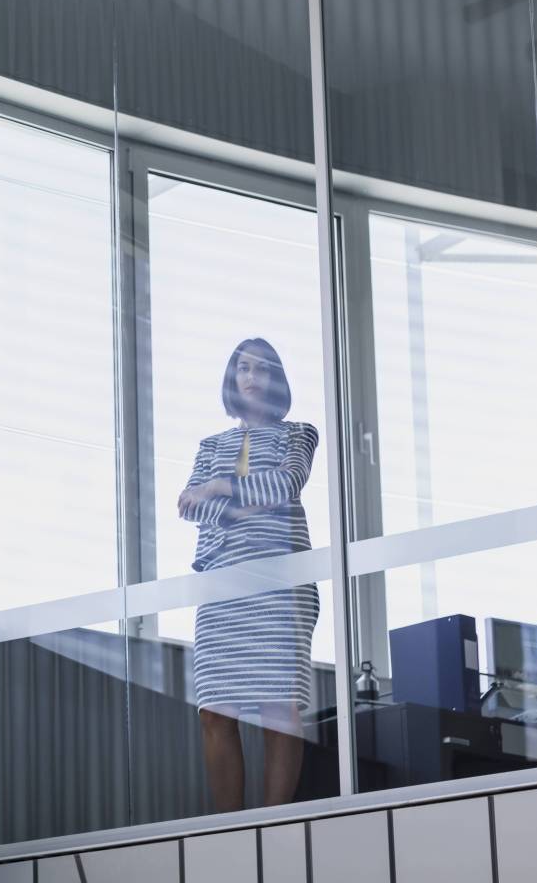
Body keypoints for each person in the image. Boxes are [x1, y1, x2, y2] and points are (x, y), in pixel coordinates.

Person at [177, 337, 319, 812]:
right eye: (243, 368)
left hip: (277, 585)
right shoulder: (210, 444)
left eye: (262, 368)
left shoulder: (298, 434)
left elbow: (286, 483)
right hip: (221, 586)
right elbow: (187, 507)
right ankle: (229, 825)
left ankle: (274, 821)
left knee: (279, 706)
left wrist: (221, 488)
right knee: (216, 711)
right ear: (232, 379)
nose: (251, 376)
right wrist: (240, 507)